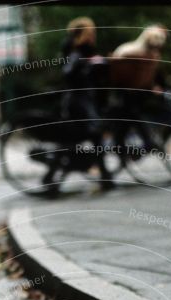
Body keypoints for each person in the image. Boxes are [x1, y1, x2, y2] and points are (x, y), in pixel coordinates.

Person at [57, 16, 114, 188]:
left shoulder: (85, 51)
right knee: (90, 136)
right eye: (90, 33)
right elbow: (69, 73)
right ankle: (104, 176)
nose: (93, 36)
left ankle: (103, 175)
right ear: (80, 35)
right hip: (77, 104)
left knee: (82, 140)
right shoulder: (75, 51)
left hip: (85, 102)